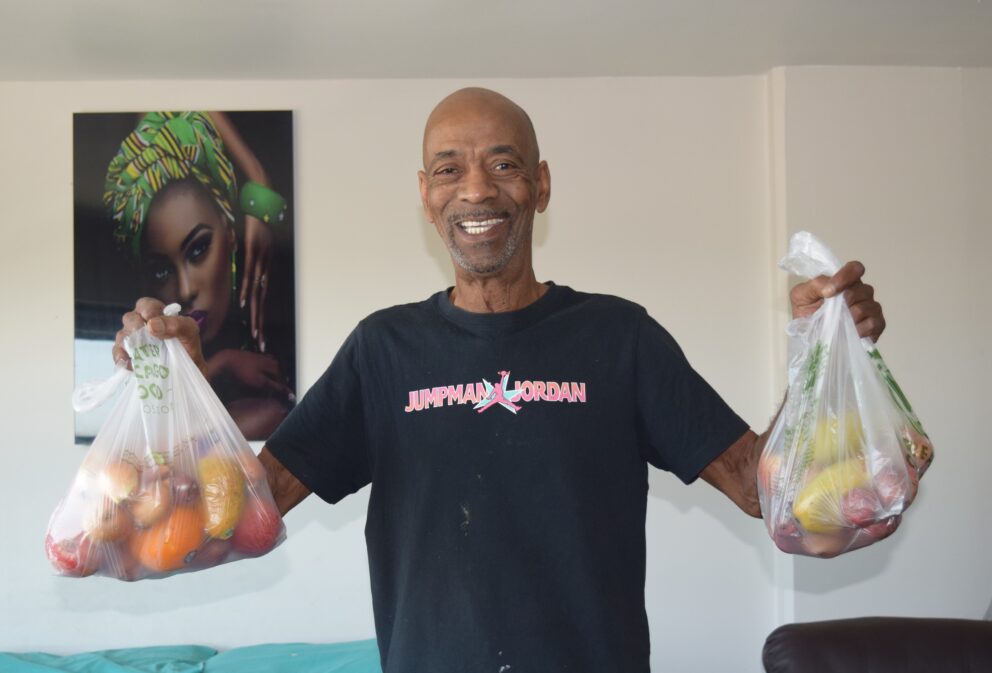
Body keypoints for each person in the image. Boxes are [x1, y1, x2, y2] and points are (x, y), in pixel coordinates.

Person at [114, 89, 887, 673]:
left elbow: (767, 492)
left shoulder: (619, 338)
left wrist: (821, 353)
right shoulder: (383, 351)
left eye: (503, 164)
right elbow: (242, 517)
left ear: (541, 186)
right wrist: (175, 384)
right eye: (449, 169)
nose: (476, 189)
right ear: (426, 196)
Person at [104, 111, 294, 439]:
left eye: (198, 249)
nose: (186, 289)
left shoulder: (268, 396)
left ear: (231, 236)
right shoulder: (149, 370)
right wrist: (220, 364)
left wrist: (258, 178)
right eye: (161, 269)